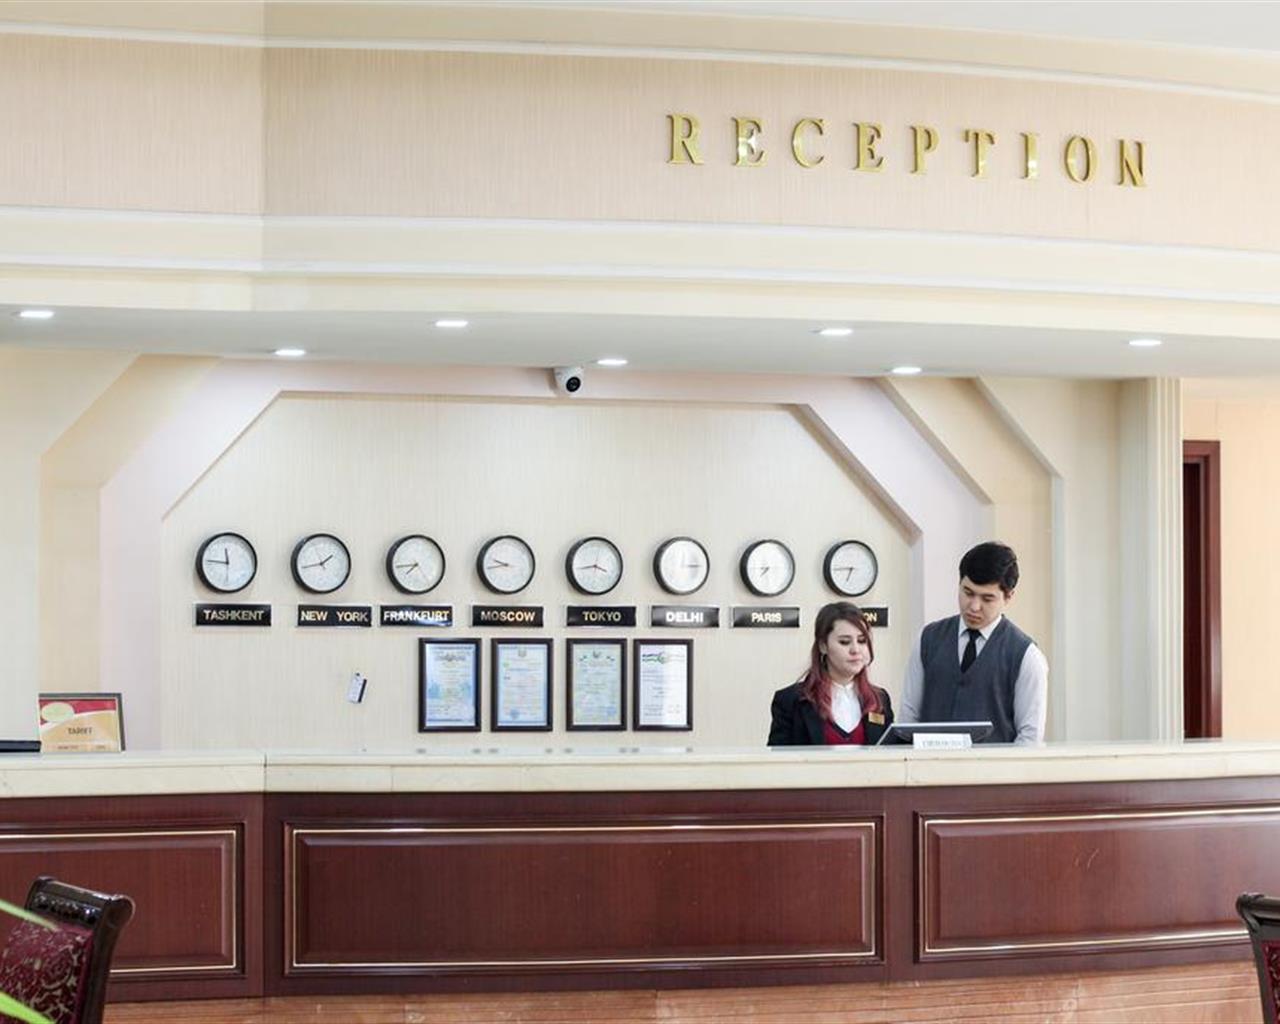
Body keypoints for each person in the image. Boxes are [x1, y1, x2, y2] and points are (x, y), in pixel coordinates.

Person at [900, 541, 1047, 744]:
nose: (974, 607)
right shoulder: (928, 638)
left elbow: (1030, 737)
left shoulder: (1026, 655)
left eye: (987, 599)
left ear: (1008, 597)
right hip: (930, 763)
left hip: (994, 765)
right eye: (968, 593)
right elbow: (908, 718)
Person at [768, 601, 894, 746]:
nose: (855, 650)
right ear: (823, 645)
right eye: (844, 642)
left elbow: (891, 753)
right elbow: (778, 758)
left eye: (862, 641)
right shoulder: (790, 701)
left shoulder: (880, 699)